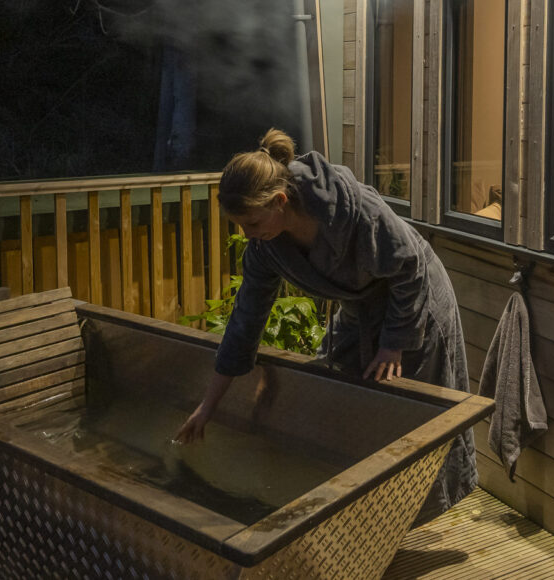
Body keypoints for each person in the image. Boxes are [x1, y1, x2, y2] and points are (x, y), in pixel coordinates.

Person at [172, 128, 477, 526]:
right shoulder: (267, 248)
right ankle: (354, 513)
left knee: (407, 411)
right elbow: (245, 322)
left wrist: (393, 344)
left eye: (252, 222)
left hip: (414, 301)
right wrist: (206, 408)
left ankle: (403, 523)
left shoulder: (354, 210)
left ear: (280, 201)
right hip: (361, 305)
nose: (247, 235)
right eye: (240, 225)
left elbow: (409, 268)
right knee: (331, 384)